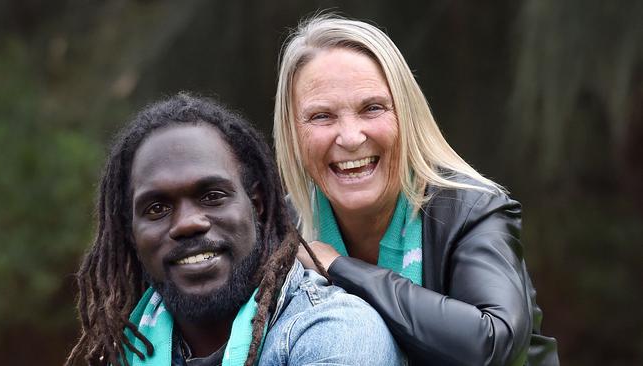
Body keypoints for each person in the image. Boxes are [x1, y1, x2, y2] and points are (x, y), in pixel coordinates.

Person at [274, 15, 560, 365]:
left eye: (372, 108)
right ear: (292, 133)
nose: (350, 137)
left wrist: (339, 267)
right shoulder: (280, 229)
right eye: (321, 116)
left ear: (406, 115)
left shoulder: (470, 209)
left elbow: (493, 342)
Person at [65, 93, 405, 366]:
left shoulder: (337, 333)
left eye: (212, 196)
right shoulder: (126, 345)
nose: (187, 224)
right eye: (157, 208)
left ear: (255, 204)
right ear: (130, 234)